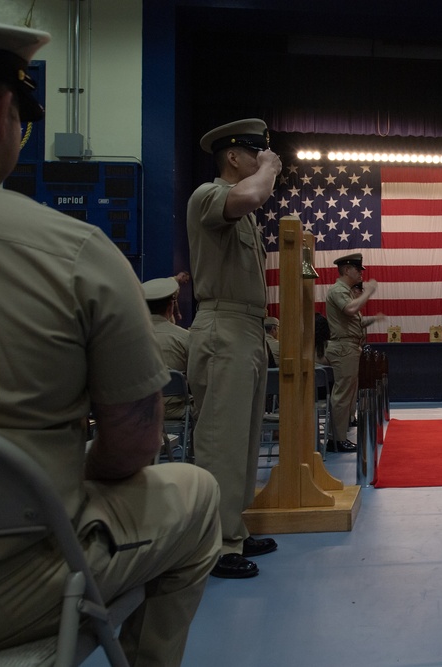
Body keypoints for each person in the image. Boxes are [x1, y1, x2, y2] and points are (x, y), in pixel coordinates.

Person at [0, 21, 220, 664]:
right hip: (12, 579)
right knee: (197, 498)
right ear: (3, 110)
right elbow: (132, 444)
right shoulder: (77, 254)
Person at [187, 117, 281, 579]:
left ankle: (234, 530)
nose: (260, 159)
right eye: (253, 153)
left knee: (244, 439)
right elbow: (253, 193)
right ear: (233, 157)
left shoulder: (241, 216)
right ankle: (214, 544)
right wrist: (270, 167)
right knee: (221, 441)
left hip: (247, 329)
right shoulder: (209, 196)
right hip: (223, 326)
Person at [323, 255, 385, 452]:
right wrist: (369, 293)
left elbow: (353, 321)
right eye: (358, 270)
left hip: (349, 347)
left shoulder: (345, 291)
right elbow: (350, 309)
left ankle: (339, 435)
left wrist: (373, 319)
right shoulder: (338, 290)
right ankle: (336, 439)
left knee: (347, 394)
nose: (361, 274)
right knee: (342, 395)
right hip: (343, 348)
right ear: (347, 269)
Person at [143, 276, 191, 421]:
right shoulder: (186, 338)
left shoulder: (125, 339)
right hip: (176, 411)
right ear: (171, 306)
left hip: (136, 411)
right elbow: (198, 379)